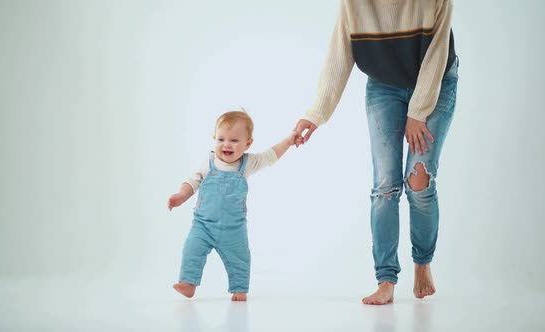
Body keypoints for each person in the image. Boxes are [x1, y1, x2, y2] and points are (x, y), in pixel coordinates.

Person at [293, 0, 458, 305]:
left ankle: (422, 262)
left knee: (418, 180)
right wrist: (316, 113)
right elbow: (339, 54)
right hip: (385, 87)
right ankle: (386, 280)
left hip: (436, 81)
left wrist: (418, 111)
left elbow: (437, 53)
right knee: (385, 185)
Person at [168, 108, 300, 301]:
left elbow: (271, 155)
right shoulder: (209, 161)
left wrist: (289, 141)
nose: (226, 145)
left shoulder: (247, 163)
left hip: (234, 228)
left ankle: (239, 289)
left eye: (234, 140)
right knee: (191, 250)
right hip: (203, 225)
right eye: (221, 139)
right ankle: (188, 283)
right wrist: (181, 195)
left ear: (248, 143)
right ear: (214, 138)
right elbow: (193, 181)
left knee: (240, 258)